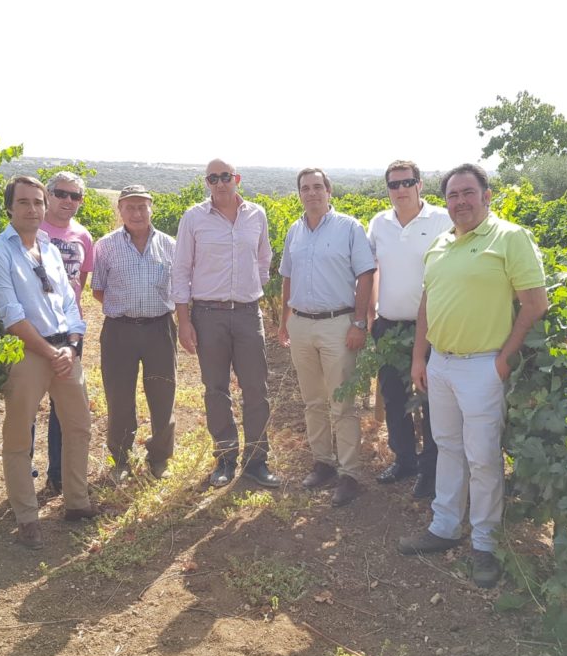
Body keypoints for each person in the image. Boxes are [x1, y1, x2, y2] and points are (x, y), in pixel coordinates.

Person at [398, 163, 548, 588]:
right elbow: (428, 304)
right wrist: (419, 359)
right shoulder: (441, 245)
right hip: (441, 364)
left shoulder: (509, 237)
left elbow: (535, 303)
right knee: (446, 446)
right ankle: (444, 527)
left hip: (483, 365)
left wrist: (503, 359)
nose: (460, 201)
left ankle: (485, 543)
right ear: (444, 202)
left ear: (487, 195)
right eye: (452, 195)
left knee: (483, 458)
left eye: (468, 192)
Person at [0, 176, 99, 550]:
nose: (33, 209)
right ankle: (27, 517)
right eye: (24, 203)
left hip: (64, 351)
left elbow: (68, 302)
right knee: (18, 437)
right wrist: (50, 352)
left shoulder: (48, 247)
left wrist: (73, 345)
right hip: (27, 354)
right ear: (9, 208)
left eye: (37, 202)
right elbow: (10, 315)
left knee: (79, 427)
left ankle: (77, 504)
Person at [172, 159, 280, 489]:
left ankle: (256, 460)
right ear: (207, 182)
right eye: (213, 178)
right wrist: (184, 321)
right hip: (208, 315)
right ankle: (226, 457)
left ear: (237, 178)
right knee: (216, 390)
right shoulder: (193, 218)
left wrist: (253, 289)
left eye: (226, 177)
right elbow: (181, 270)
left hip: (248, 314)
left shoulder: (256, 215)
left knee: (256, 390)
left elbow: (265, 259)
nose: (220, 183)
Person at [278, 168, 376, 507]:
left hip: (338, 323)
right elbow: (287, 278)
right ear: (299, 193)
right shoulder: (295, 230)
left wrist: (359, 323)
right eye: (305, 188)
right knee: (312, 401)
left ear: (329, 191)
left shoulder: (349, 228)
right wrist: (283, 322)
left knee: (342, 403)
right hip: (301, 324)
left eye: (317, 187)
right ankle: (323, 463)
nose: (311, 193)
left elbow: (366, 276)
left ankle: (350, 474)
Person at [367, 160, 452, 499]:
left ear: (420, 185)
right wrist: (371, 311)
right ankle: (404, 460)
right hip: (388, 325)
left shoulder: (442, 221)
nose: (400, 190)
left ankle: (430, 471)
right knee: (393, 396)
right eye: (394, 184)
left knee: (432, 400)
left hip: (430, 327)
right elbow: (371, 267)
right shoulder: (379, 223)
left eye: (407, 182)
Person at [91, 185, 177, 482]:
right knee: (119, 397)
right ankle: (121, 459)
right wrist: (126, 310)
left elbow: (179, 288)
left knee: (163, 393)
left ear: (151, 208)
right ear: (120, 210)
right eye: (130, 207)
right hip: (119, 332)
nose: (137, 213)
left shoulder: (170, 245)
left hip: (160, 329)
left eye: (142, 206)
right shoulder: (105, 245)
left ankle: (159, 458)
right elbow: (98, 289)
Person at [34, 171, 94, 495]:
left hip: (69, 332)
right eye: (61, 193)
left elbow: (80, 285)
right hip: (32, 330)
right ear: (48, 194)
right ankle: (26, 474)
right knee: (27, 407)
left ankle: (57, 474)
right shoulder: (32, 228)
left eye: (75, 196)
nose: (68, 201)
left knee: (64, 408)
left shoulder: (83, 236)